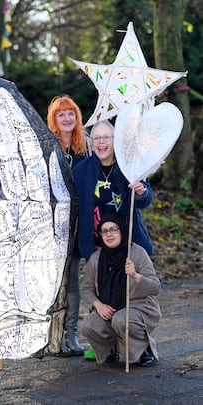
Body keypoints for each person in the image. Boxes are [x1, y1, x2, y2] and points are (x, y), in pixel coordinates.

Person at [73, 119, 154, 360]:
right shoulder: (82, 170)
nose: (100, 142)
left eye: (106, 137)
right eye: (96, 138)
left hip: (128, 240)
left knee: (132, 295)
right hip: (97, 243)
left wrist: (141, 192)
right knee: (101, 296)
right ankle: (106, 347)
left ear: (115, 140)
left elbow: (146, 198)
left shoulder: (129, 165)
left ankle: (142, 348)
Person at [80, 212, 162, 367]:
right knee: (88, 325)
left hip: (139, 307)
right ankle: (111, 348)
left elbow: (155, 287)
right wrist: (98, 305)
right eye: (104, 231)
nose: (109, 234)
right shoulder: (96, 258)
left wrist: (136, 275)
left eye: (113, 229)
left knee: (121, 319)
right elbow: (86, 288)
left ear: (122, 231)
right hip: (110, 309)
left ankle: (144, 350)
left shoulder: (137, 253)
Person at [47, 95, 89, 356]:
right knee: (53, 283)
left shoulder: (85, 148)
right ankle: (53, 337)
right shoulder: (46, 148)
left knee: (72, 281)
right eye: (61, 114)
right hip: (51, 226)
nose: (66, 118)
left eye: (71, 113)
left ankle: (71, 336)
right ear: (54, 119)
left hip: (77, 225)